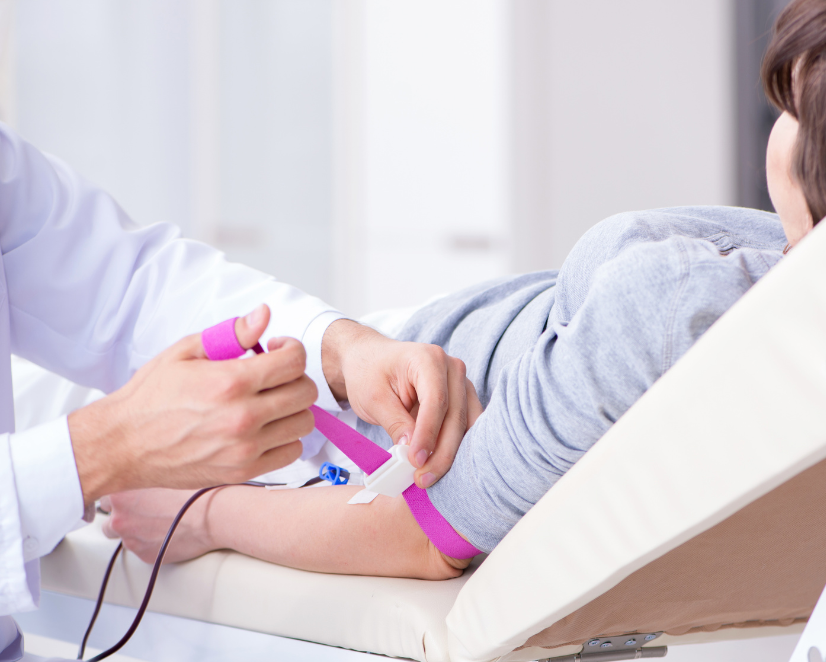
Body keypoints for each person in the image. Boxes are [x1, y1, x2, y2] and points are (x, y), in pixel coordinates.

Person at [102, 0, 826, 581]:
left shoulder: (676, 309)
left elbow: (427, 534)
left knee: (67, 387)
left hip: (338, 446)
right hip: (375, 361)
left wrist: (206, 516)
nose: (778, 126)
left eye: (790, 109)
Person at [0, 119, 479, 657]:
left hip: (402, 346)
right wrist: (98, 456)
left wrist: (345, 351)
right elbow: (433, 531)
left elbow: (129, 285)